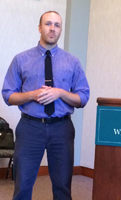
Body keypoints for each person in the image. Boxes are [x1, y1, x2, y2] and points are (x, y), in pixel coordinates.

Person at [1, 11, 90, 200]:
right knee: (22, 185)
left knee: (62, 187)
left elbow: (83, 97)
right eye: (48, 24)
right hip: (30, 127)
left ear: (60, 30)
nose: (52, 28)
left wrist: (60, 93)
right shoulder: (21, 59)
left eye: (57, 25)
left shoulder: (72, 62)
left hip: (62, 128)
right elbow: (8, 95)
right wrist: (32, 95)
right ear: (40, 27)